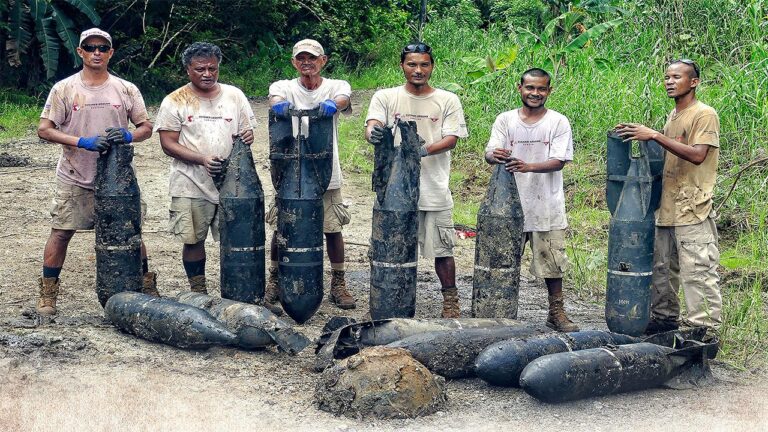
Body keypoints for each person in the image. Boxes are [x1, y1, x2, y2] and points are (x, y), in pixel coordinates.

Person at [36, 28, 157, 315]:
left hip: (119, 179)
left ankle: (147, 284)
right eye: (90, 48)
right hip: (75, 175)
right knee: (61, 232)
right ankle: (48, 293)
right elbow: (45, 129)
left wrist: (129, 135)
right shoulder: (64, 89)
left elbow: (146, 127)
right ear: (80, 52)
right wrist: (81, 142)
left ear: (111, 53)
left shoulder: (126, 89)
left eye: (102, 48)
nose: (96, 53)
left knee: (131, 234)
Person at [616, 59, 721, 334]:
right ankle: (664, 320)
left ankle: (704, 331)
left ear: (694, 82)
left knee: (698, 271)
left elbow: (698, 155)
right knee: (662, 270)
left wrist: (654, 135)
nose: (670, 82)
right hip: (668, 207)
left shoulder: (704, 114)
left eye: (677, 77)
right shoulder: (674, 116)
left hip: (693, 207)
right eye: (667, 77)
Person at [365, 42, 468, 318]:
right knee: (390, 248)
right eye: (412, 64)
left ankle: (450, 300)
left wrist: (422, 150)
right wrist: (374, 133)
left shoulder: (447, 100)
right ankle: (388, 299)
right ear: (402, 66)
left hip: (433, 187)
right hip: (392, 190)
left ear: (432, 66)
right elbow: (372, 125)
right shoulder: (386, 97)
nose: (418, 70)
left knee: (442, 249)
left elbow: (451, 139)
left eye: (424, 64)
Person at [154, 42, 256, 297]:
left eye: (212, 68)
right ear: (188, 70)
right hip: (190, 181)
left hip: (232, 182)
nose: (207, 74)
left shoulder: (234, 96)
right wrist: (201, 159)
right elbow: (167, 143)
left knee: (236, 238)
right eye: (200, 69)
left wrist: (248, 135)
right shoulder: (175, 100)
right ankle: (198, 291)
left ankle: (236, 290)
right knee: (193, 239)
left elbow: (247, 131)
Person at [483, 68, 579, 332]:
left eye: (541, 89)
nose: (535, 93)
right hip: (506, 206)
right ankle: (496, 313)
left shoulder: (558, 122)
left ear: (549, 91)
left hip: (545, 205)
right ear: (520, 88)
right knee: (500, 262)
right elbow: (489, 153)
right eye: (530, 88)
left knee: (552, 262)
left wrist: (528, 167)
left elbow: (559, 161)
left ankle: (556, 312)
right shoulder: (505, 119)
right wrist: (494, 155)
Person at [265, 39, 356, 311]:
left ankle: (338, 281)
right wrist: (279, 106)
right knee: (282, 227)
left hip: (325, 170)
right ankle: (275, 278)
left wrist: (333, 104)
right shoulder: (283, 86)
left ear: (323, 60)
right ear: (294, 62)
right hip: (289, 171)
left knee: (332, 227)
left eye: (312, 58)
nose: (307, 63)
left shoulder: (336, 86)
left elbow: (343, 99)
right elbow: (275, 99)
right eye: (301, 58)